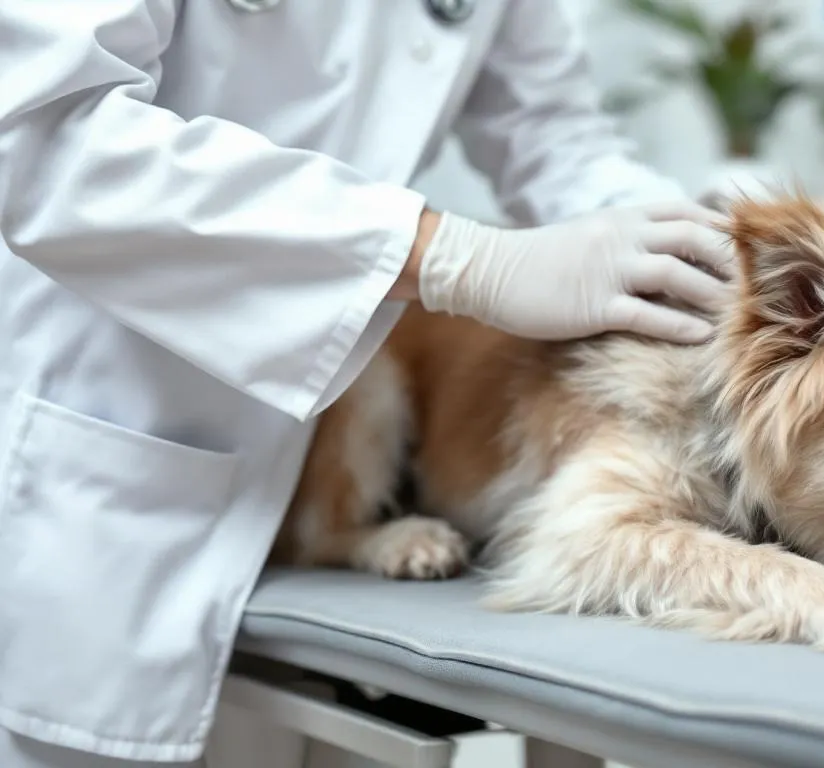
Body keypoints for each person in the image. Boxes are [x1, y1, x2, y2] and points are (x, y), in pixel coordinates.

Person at [0, 1, 739, 766]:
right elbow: (49, 133)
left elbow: (551, 134)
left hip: (313, 517)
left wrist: (683, 242)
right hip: (111, 457)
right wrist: (452, 256)